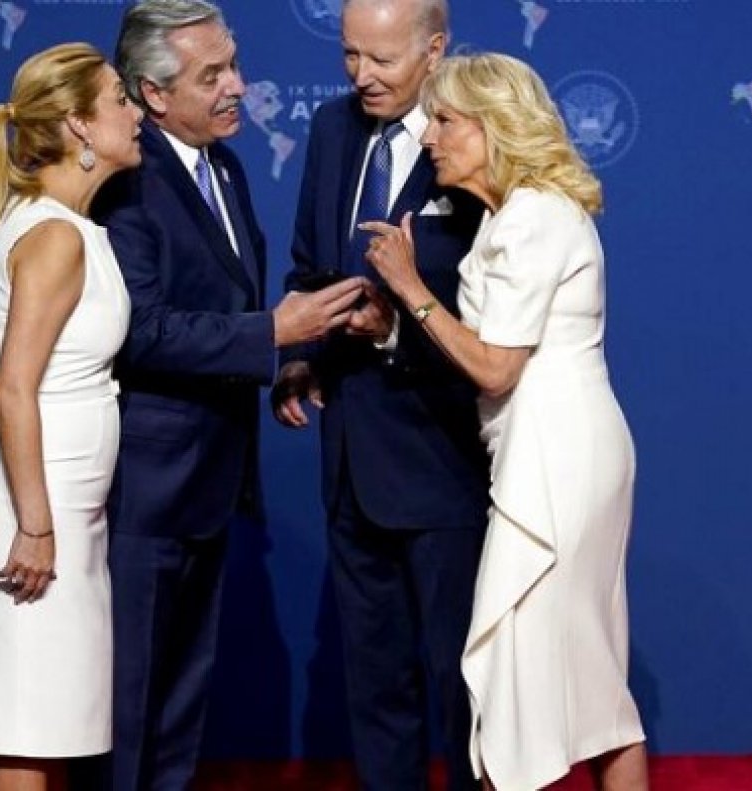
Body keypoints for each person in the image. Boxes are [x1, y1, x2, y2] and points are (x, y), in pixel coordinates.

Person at [90, 2, 364, 789]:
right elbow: (139, 330)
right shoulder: (127, 182)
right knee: (127, 708)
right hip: (145, 490)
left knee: (180, 708)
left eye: (233, 64)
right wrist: (270, 335)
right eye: (213, 75)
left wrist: (283, 359)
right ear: (152, 92)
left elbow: (226, 306)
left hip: (211, 483)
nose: (239, 86)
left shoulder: (227, 166)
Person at [362, 52, 649, 790]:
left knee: (533, 680)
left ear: (496, 127)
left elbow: (495, 367)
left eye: (448, 121)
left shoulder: (535, 218)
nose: (430, 136)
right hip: (539, 450)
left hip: (558, 457)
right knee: (578, 682)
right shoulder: (509, 219)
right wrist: (397, 325)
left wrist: (408, 286)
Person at [273, 1, 489, 788]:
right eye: (349, 56)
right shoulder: (333, 129)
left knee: (465, 687)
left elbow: (503, 309)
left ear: (435, 50)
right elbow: (308, 264)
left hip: (443, 458)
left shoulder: (478, 135)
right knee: (376, 690)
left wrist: (397, 329)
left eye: (382, 61)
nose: (361, 76)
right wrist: (300, 355)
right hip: (350, 462)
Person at [0, 43, 143, 791]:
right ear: (79, 127)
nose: (136, 114)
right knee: (28, 725)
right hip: (34, 503)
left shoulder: (70, 226)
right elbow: (13, 387)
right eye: (121, 102)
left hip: (64, 500)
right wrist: (35, 523)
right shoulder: (55, 236)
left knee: (55, 721)